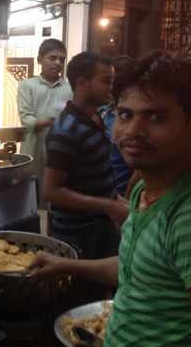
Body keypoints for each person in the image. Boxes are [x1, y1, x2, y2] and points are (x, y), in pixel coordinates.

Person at [31, 52, 191, 346]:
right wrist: (65, 264)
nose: (133, 131)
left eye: (157, 117)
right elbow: (133, 269)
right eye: (125, 114)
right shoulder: (142, 194)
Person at [43, 51, 129, 307]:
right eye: (105, 80)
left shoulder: (95, 118)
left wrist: (119, 200)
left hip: (102, 227)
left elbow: (97, 175)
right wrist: (107, 205)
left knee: (100, 296)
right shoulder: (66, 130)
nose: (111, 87)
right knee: (75, 300)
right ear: (82, 83)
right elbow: (52, 191)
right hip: (76, 234)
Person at [16, 38, 73, 208]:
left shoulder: (69, 89)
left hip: (59, 148)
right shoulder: (27, 85)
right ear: (39, 60)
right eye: (52, 58)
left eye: (62, 59)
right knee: (32, 191)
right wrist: (52, 122)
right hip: (34, 145)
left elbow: (70, 119)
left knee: (56, 191)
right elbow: (26, 118)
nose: (57, 63)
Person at [99, 55, 138, 196]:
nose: (107, 86)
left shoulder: (134, 118)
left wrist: (127, 200)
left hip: (123, 195)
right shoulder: (104, 111)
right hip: (104, 194)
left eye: (109, 80)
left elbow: (138, 170)